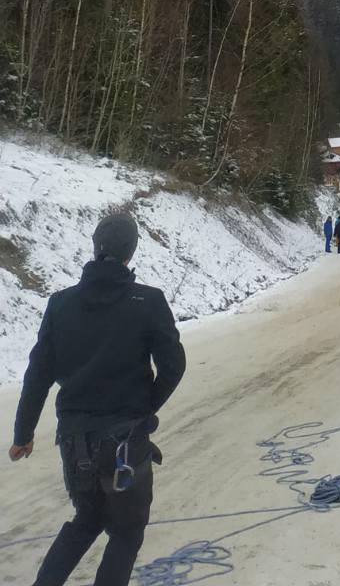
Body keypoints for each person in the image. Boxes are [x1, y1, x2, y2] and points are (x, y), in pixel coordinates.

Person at [8, 212, 186, 586]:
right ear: (131, 252)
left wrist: (22, 434)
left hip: (76, 444)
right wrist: (146, 407)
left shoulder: (59, 304)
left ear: (95, 247)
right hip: (124, 443)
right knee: (126, 531)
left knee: (87, 519)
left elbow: (38, 373)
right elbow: (173, 366)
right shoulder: (147, 301)